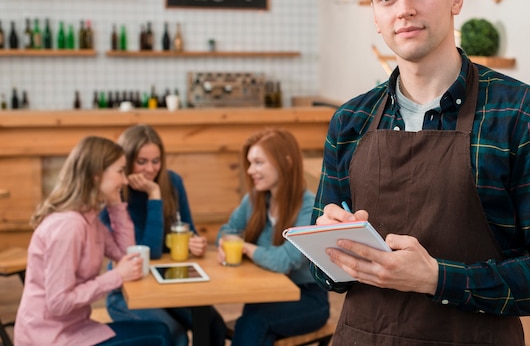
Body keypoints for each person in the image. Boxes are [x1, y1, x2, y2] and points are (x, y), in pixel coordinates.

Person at [310, 0, 530, 345]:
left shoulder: (524, 114)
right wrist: (329, 249)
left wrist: (438, 278)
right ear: (375, 13)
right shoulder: (350, 119)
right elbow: (321, 274)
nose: (404, 9)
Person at [14, 136, 171, 346]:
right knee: (159, 335)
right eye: (120, 171)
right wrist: (115, 276)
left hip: (76, 330)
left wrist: (116, 204)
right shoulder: (69, 226)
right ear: (96, 176)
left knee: (159, 332)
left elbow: (126, 254)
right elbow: (58, 303)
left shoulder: (89, 218)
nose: (125, 180)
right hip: (50, 339)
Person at [99, 124, 225, 346]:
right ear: (126, 161)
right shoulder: (114, 195)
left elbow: (188, 230)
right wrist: (154, 196)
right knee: (174, 334)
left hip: (170, 282)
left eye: (156, 161)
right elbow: (150, 253)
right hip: (127, 292)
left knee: (212, 324)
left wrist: (195, 243)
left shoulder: (173, 182)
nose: (150, 169)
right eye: (142, 161)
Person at [217, 128, 329, 346]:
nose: (250, 170)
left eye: (258, 162)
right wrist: (225, 243)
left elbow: (285, 260)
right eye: (250, 163)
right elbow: (227, 231)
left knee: (254, 324)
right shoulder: (255, 200)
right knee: (257, 331)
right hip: (265, 295)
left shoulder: (309, 208)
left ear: (286, 162)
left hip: (307, 299)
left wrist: (246, 248)